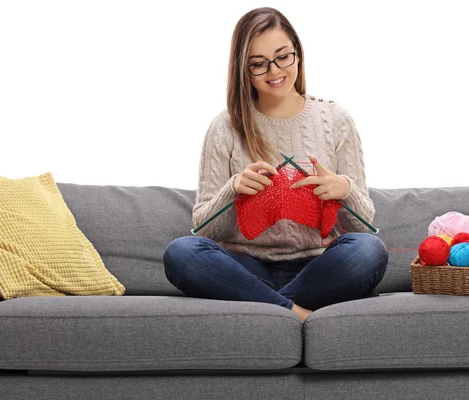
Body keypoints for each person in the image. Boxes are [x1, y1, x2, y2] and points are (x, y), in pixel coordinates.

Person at [163, 7, 389, 323]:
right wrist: (233, 190)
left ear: (298, 54)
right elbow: (202, 228)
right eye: (259, 64)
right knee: (181, 253)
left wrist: (344, 190)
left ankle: (263, 307)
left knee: (369, 251)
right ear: (242, 69)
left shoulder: (335, 120)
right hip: (245, 266)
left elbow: (365, 228)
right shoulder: (226, 126)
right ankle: (294, 313)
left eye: (283, 56)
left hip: (318, 267)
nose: (274, 70)